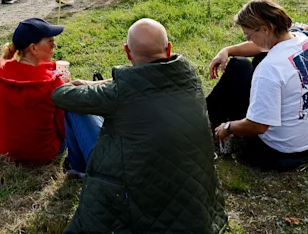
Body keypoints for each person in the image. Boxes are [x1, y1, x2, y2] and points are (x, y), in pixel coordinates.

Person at [52, 19, 228, 233]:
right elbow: (145, 83)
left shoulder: (119, 93)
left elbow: (62, 96)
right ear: (169, 48)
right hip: (195, 203)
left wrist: (89, 83)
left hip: (136, 195)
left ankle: (77, 167)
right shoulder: (188, 76)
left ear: (127, 52)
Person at [207, 0, 308, 171]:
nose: (249, 40)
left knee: (237, 68)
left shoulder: (270, 68)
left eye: (249, 35)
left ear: (266, 29)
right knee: (240, 64)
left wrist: (228, 127)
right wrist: (227, 50)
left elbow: (258, 126)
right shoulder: (303, 41)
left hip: (279, 152)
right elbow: (258, 48)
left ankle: (208, 119)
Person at [0, 18, 101, 173]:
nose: (54, 45)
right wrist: (64, 86)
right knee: (75, 106)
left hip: (5, 149)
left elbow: (27, 73)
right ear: (33, 48)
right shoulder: (52, 84)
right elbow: (64, 130)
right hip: (43, 154)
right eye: (50, 41)